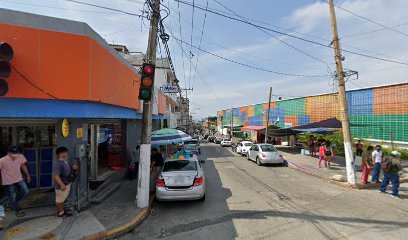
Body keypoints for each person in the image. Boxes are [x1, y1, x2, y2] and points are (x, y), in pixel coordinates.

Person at [0, 145, 31, 217]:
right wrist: (1, 179)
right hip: (8, 181)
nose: (15, 155)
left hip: (19, 179)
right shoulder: (2, 160)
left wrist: (28, 175)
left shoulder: (20, 156)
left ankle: (12, 203)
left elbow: (23, 165)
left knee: (25, 191)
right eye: (13, 153)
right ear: (8, 153)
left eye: (16, 153)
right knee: (12, 196)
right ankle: (18, 210)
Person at [52, 146, 77, 218]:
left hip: (67, 183)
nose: (64, 154)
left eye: (65, 153)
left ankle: (62, 209)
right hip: (61, 186)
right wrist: (62, 185)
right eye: (62, 153)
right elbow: (55, 175)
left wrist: (73, 168)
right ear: (58, 155)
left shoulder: (66, 160)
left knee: (63, 198)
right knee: (59, 200)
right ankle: (61, 213)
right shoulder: (57, 163)